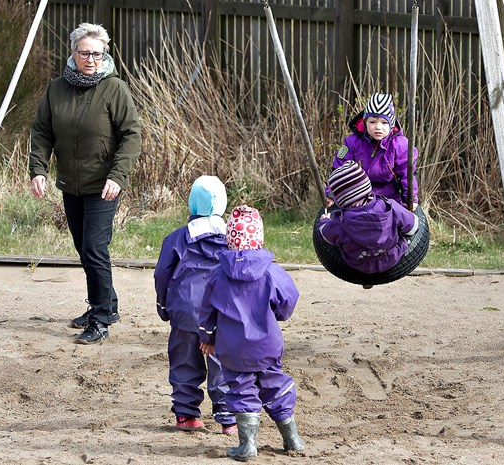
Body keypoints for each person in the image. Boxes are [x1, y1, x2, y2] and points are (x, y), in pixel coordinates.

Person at [29, 22, 141, 346]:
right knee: (84, 248)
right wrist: (38, 169)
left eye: (96, 53)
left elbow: (132, 135)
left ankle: (101, 317)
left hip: (104, 184)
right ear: (73, 53)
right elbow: (42, 132)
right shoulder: (56, 89)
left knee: (94, 248)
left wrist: (117, 176)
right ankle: (109, 303)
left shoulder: (114, 89)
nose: (90, 59)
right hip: (70, 184)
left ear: (104, 54)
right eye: (84, 52)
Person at [198, 206, 305, 461]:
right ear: (260, 237)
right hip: (267, 345)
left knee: (240, 389)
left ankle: (248, 446)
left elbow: (206, 311)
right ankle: (293, 439)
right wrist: (277, 314)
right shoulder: (272, 272)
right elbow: (289, 299)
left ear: (229, 239)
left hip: (233, 349)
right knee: (275, 386)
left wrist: (207, 338)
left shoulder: (218, 274)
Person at [153, 176, 237, 435]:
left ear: (191, 205)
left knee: (184, 361)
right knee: (223, 363)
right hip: (221, 313)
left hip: (186, 310)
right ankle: (228, 416)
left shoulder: (177, 238)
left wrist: (163, 304)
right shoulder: (233, 239)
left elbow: (162, 274)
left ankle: (186, 414)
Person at [317, 160, 418, 275]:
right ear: (367, 186)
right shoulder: (389, 206)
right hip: (392, 257)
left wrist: (324, 220)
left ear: (339, 200)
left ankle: (367, 278)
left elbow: (324, 235)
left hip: (358, 264)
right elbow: (413, 227)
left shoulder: (339, 222)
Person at [327, 92, 418, 209]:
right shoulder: (352, 143)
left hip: (392, 195)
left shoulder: (401, 145)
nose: (378, 127)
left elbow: (408, 174)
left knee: (400, 219)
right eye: (372, 122)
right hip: (358, 194)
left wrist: (410, 198)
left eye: (384, 122)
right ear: (365, 122)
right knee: (345, 218)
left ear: (391, 124)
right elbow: (339, 170)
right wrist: (331, 194)